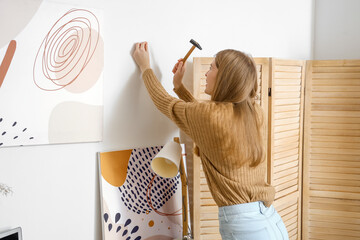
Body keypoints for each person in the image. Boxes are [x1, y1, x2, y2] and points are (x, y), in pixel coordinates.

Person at [132, 41, 289, 240]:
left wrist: (145, 67)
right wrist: (179, 87)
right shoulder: (254, 113)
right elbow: (210, 122)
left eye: (211, 67)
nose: (206, 74)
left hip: (246, 228)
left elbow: (168, 104)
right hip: (271, 222)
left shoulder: (210, 116)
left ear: (224, 77)